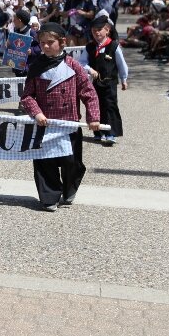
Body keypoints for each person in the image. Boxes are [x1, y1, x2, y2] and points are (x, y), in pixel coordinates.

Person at [20, 22, 100, 211]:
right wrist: (36, 112)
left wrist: (93, 117)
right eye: (42, 43)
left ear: (62, 43)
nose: (45, 46)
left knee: (72, 163)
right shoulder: (36, 66)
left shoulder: (74, 66)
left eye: (50, 42)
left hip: (69, 124)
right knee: (44, 162)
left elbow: (89, 93)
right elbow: (27, 96)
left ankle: (69, 187)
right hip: (45, 124)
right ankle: (49, 197)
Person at [79, 15, 128, 145]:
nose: (97, 32)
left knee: (110, 106)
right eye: (94, 30)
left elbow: (121, 64)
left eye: (100, 29)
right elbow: (82, 63)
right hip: (95, 83)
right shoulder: (89, 47)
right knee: (96, 106)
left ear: (107, 30)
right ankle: (98, 132)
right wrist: (90, 70)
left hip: (110, 82)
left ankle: (111, 133)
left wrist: (124, 79)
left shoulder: (113, 46)